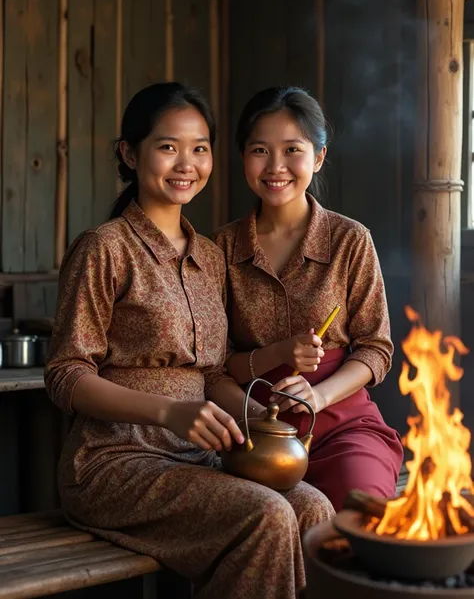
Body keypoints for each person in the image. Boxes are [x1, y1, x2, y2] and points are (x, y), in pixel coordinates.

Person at [44, 82, 334, 599]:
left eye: (200, 148)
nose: (186, 163)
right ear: (129, 154)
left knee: (314, 508)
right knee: (266, 517)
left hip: (199, 457)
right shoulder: (103, 249)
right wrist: (167, 412)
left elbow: (210, 377)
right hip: (116, 460)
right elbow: (66, 375)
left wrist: (256, 417)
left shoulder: (210, 257)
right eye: (168, 147)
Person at [213, 86, 404, 512]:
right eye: (260, 150)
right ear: (243, 156)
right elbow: (214, 364)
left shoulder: (349, 240)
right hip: (251, 430)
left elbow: (376, 350)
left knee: (358, 513)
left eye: (292, 150)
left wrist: (316, 398)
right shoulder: (220, 249)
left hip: (341, 426)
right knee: (261, 523)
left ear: (317, 157)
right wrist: (273, 360)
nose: (275, 166)